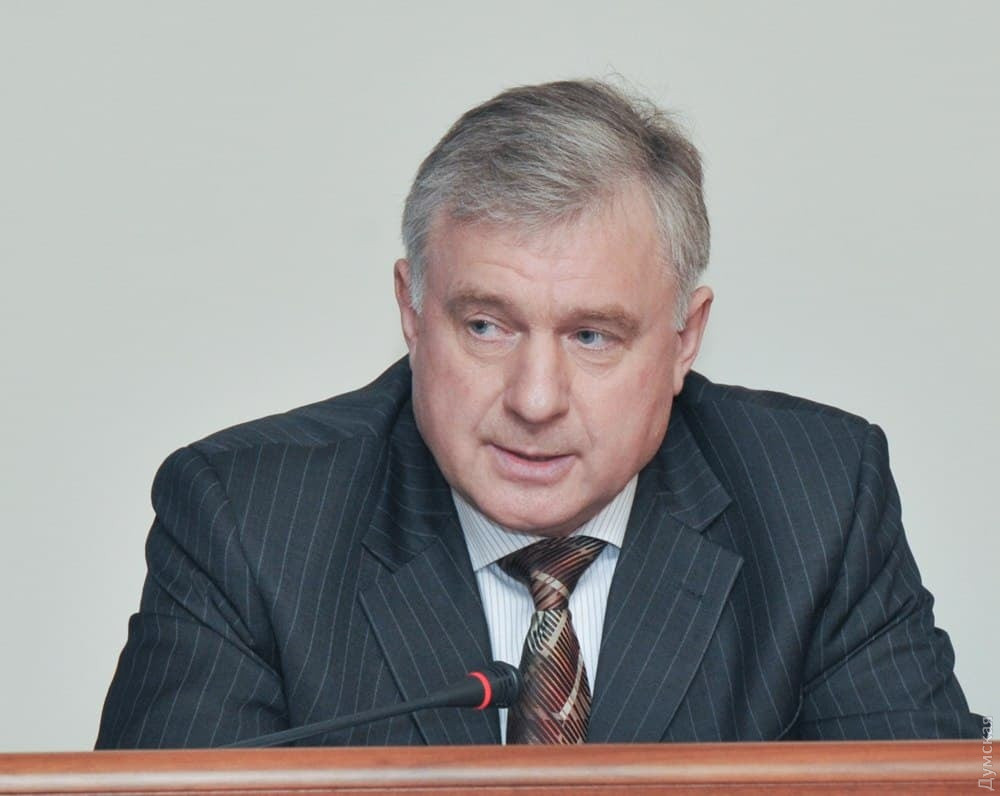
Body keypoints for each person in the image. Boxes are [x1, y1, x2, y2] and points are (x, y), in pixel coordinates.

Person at [96, 79, 980, 748]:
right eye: (486, 326)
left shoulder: (818, 502)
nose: (534, 399)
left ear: (684, 339)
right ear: (412, 309)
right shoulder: (248, 519)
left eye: (593, 336)